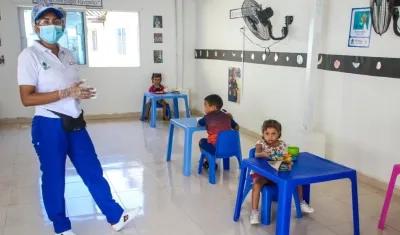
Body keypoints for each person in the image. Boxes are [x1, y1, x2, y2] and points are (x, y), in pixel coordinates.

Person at [17, 2, 140, 235]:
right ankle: (62, 228)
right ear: (36, 26)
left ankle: (115, 216)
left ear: (63, 24)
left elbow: (68, 86)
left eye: (56, 21)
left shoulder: (67, 53)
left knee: (92, 170)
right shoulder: (29, 56)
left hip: (75, 123)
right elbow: (27, 98)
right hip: (48, 124)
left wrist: (77, 92)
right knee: (54, 178)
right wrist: (65, 93)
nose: (51, 25)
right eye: (45, 22)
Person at [250, 119, 314, 225]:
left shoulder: (282, 144)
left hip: (277, 173)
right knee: (256, 184)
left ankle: (301, 202)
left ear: (279, 134)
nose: (270, 136)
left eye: (273, 133)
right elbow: (256, 154)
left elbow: (285, 157)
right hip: (262, 173)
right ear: (263, 134)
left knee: (296, 180)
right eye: (267, 133)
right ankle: (254, 212)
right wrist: (263, 154)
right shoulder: (260, 143)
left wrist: (288, 160)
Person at [197, 94, 240, 170]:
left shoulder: (207, 117)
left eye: (205, 106)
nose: (204, 108)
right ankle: (225, 166)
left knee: (201, 142)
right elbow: (237, 128)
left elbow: (199, 124)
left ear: (213, 107)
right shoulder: (227, 116)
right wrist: (230, 118)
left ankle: (210, 162)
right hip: (230, 147)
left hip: (216, 149)